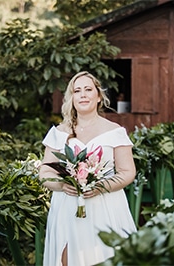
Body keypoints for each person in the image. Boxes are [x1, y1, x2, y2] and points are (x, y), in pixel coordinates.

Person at [39, 71, 138, 265]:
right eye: (77, 91)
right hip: (67, 206)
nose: (83, 94)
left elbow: (127, 172)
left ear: (98, 96)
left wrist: (101, 186)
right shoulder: (59, 132)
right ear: (72, 98)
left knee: (104, 256)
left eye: (88, 89)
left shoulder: (115, 132)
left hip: (105, 206)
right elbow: (45, 172)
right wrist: (61, 185)